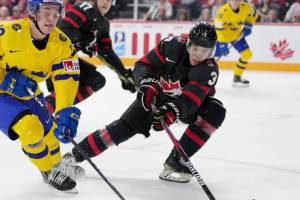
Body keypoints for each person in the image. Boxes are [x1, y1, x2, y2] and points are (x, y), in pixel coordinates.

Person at [62, 21, 226, 183]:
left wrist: (172, 111)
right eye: (196, 48)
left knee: (215, 110)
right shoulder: (172, 45)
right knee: (122, 128)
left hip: (187, 108)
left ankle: (177, 162)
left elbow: (191, 99)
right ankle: (72, 157)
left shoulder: (209, 70)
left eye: (205, 51)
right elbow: (143, 65)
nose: (199, 54)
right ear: (189, 44)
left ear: (211, 51)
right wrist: (147, 83)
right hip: (155, 96)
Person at [0, 0, 82, 193]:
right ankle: (48, 171)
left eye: (56, 13)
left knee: (52, 131)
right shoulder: (7, 33)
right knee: (30, 128)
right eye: (46, 11)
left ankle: (57, 165)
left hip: (27, 89)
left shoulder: (61, 44)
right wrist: (5, 80)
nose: (52, 18)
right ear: (33, 12)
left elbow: (66, 78)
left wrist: (65, 111)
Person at [45, 0, 136, 113]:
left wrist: (124, 74)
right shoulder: (86, 8)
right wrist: (84, 41)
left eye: (109, 0)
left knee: (96, 80)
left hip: (64, 58)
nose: (105, 3)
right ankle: (45, 109)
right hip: (50, 54)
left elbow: (106, 52)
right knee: (67, 86)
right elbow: (61, 29)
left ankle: (49, 108)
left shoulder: (103, 24)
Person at [213, 0, 258, 87]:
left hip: (236, 36)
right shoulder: (223, 11)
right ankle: (203, 79)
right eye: (233, 0)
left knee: (247, 55)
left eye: (237, 0)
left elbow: (252, 16)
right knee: (213, 60)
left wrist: (249, 25)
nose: (235, 2)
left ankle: (237, 77)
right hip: (222, 37)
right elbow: (218, 30)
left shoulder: (245, 8)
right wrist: (222, 44)